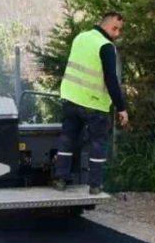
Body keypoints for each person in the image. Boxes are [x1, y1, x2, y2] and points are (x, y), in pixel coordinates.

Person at [51, 11, 128, 195]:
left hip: (71, 98)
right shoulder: (106, 46)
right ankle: (95, 185)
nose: (117, 33)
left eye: (119, 30)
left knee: (67, 138)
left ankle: (60, 178)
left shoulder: (80, 37)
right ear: (105, 25)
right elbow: (111, 80)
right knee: (98, 143)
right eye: (114, 28)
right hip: (94, 104)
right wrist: (122, 107)